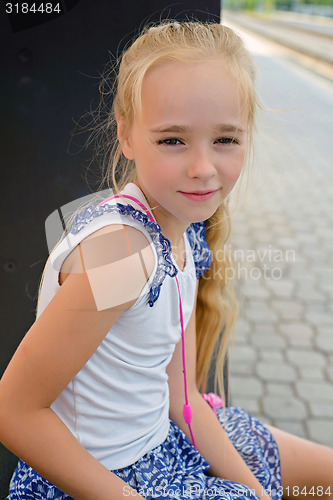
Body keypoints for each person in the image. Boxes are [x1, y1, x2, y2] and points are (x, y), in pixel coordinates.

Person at [0, 20, 332, 500]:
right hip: (102, 480)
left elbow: (185, 400)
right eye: (173, 140)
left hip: (165, 445)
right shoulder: (124, 253)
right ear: (127, 136)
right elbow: (14, 410)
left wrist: (257, 493)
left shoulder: (182, 236)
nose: (202, 168)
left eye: (226, 139)